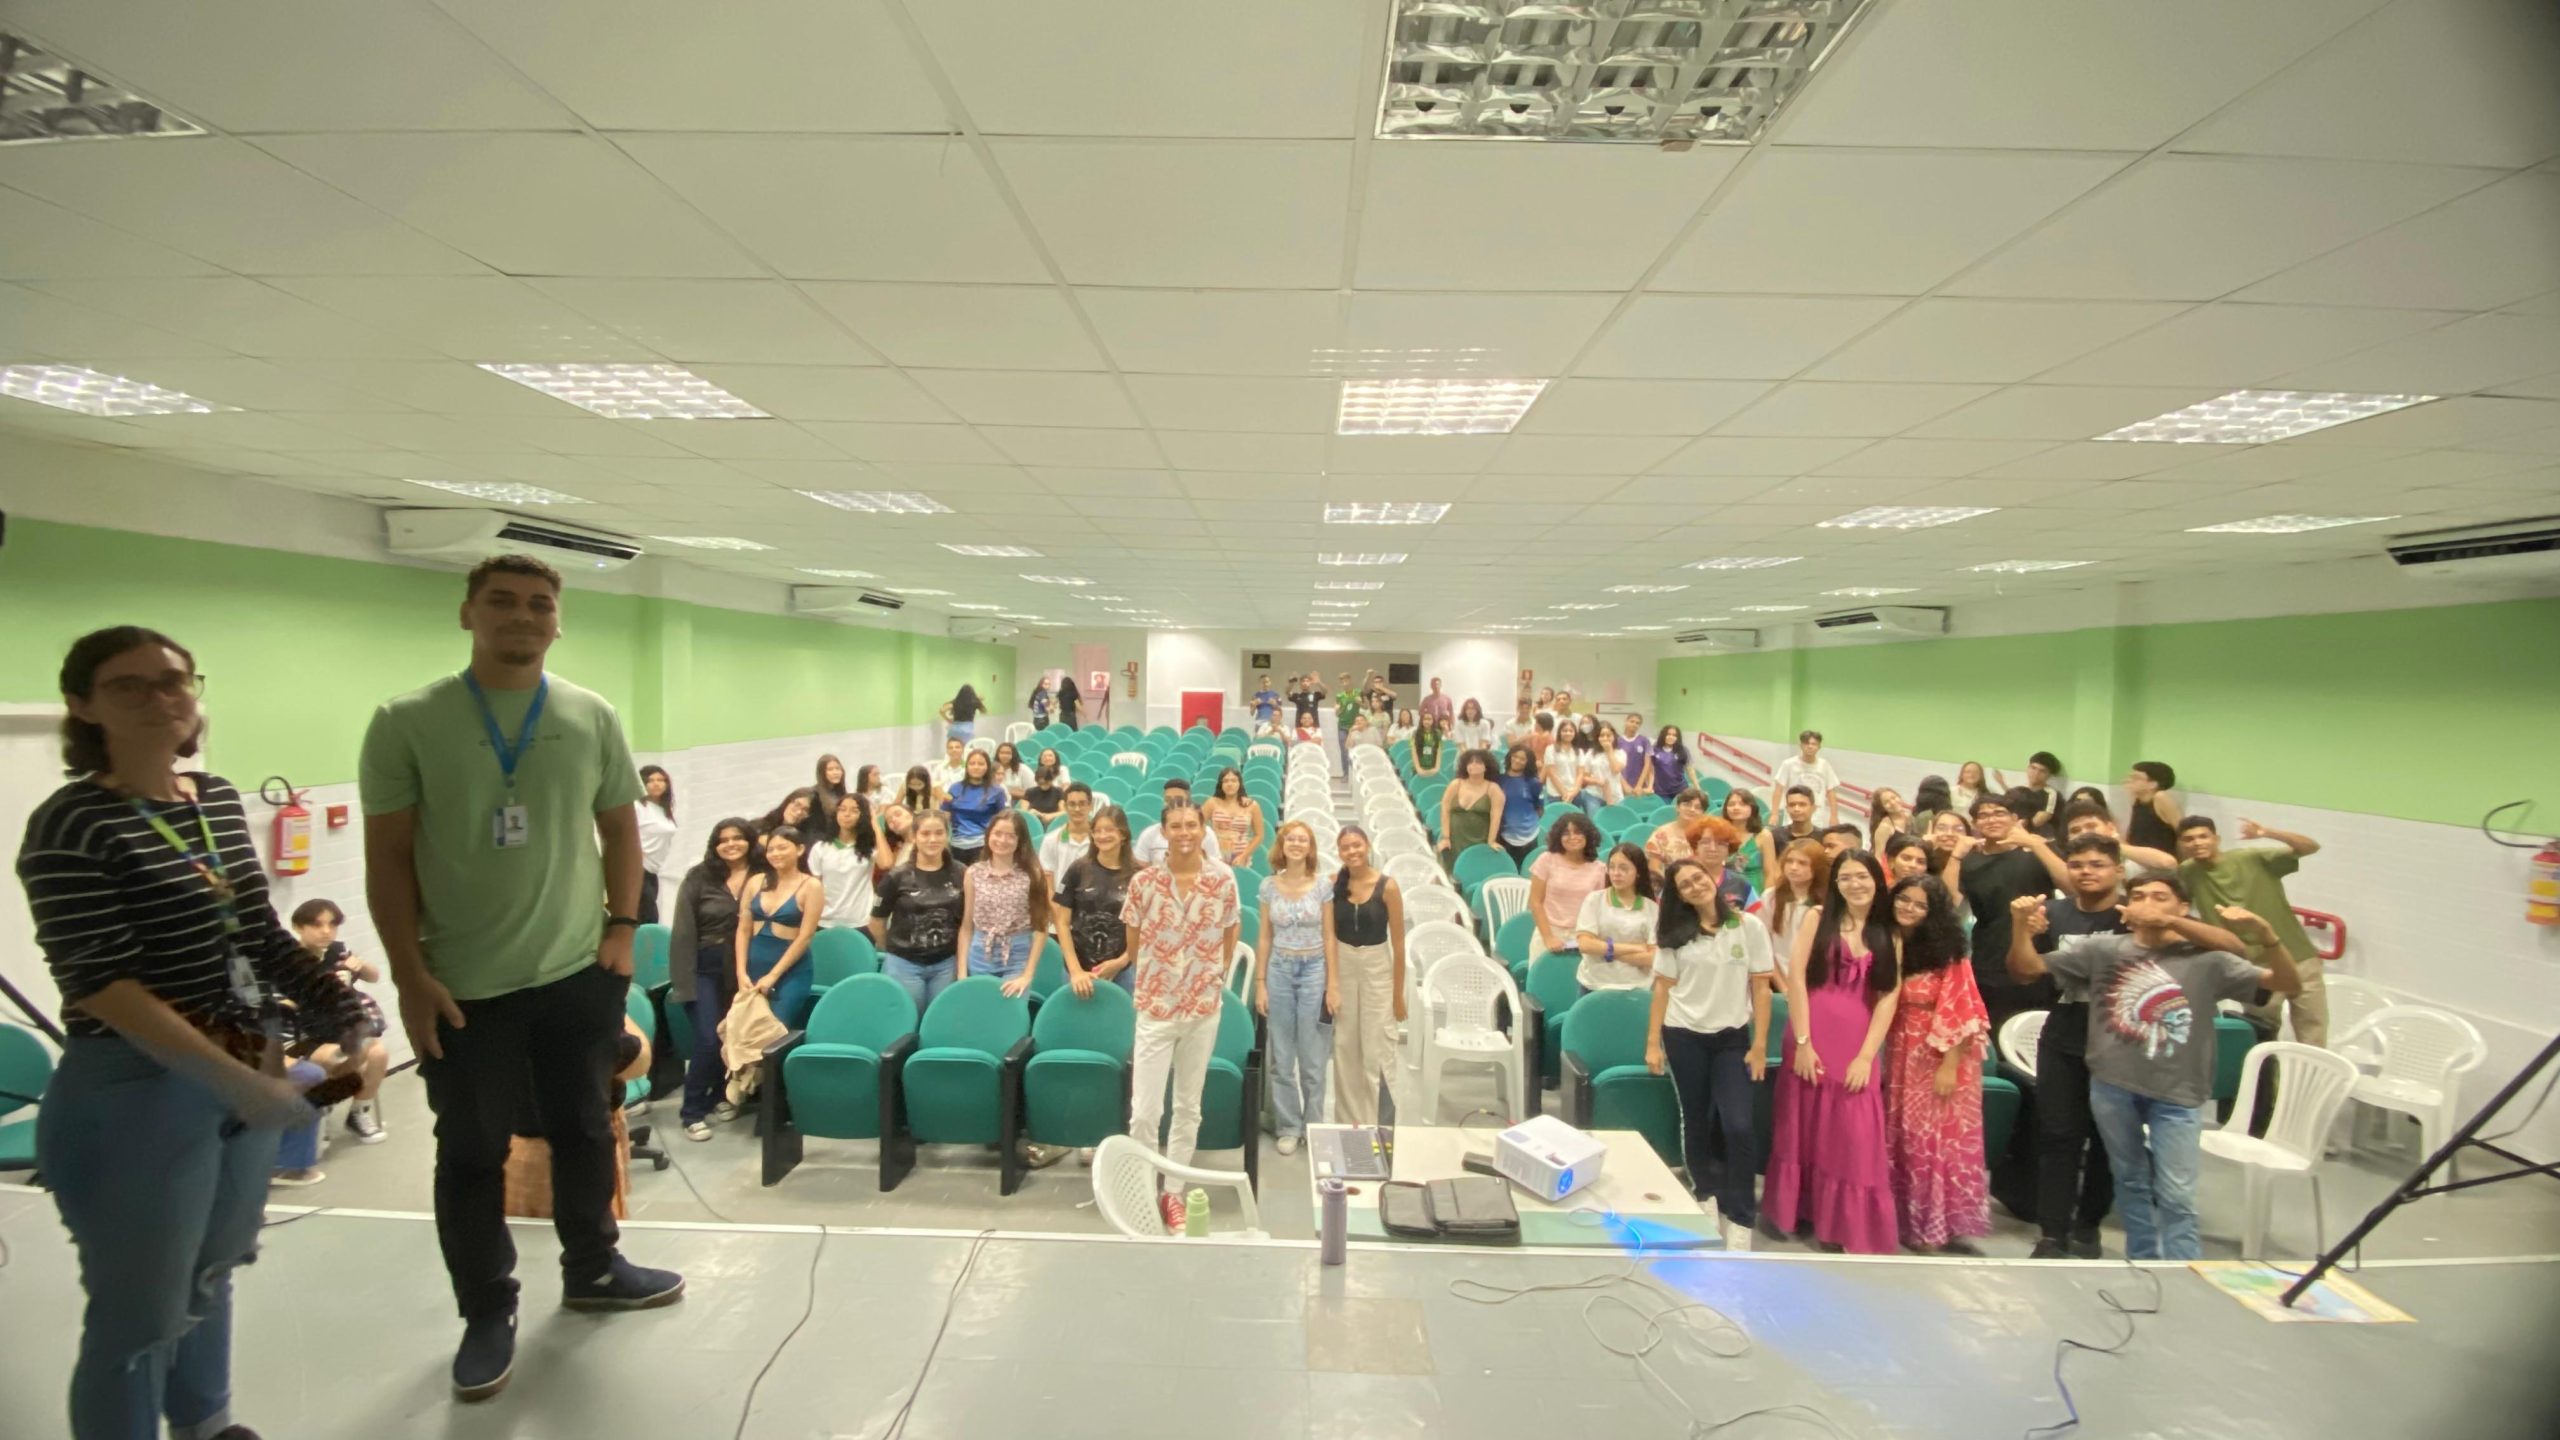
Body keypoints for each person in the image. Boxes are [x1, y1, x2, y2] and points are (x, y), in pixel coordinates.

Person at [16, 627, 372, 1440]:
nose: (160, 699)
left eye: (174, 681)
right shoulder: (72, 823)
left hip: (243, 1070)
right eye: (129, 686)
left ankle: (207, 1425)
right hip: (139, 1088)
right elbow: (103, 985)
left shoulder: (210, 797)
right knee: (138, 1315)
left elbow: (255, 929)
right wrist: (235, 1082)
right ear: (82, 705)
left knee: (211, 1274)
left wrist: (335, 1005)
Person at [358, 555, 679, 1401]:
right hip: (463, 984)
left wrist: (621, 931)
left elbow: (621, 833)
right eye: (502, 602)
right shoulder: (406, 720)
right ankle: (486, 1310)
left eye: (540, 604)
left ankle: (594, 1267)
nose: (523, 616)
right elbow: (387, 861)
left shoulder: (588, 714)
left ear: (558, 621)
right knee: (471, 1154)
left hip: (576, 969)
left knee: (582, 1127)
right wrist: (409, 974)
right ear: (468, 614)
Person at [2012, 877, 2301, 1261]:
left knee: (2177, 1193)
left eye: (2160, 898)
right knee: (2130, 1182)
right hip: (2113, 1087)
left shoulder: (2206, 958)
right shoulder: (2103, 950)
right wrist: (2019, 924)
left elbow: (2286, 984)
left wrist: (2268, 936)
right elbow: (2028, 967)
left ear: (2183, 907)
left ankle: (2182, 1270)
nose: (2147, 904)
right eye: (2138, 898)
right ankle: (2143, 1261)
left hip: (2177, 1093)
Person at [1763, 850, 1901, 1254]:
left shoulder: (1888, 931)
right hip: (1811, 1034)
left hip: (1858, 1041)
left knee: (1854, 1134)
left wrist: (1866, 1056)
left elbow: (1889, 996)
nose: (1854, 884)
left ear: (1877, 880)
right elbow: (1797, 980)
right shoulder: (1816, 918)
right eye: (1845, 878)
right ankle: (1801, 1212)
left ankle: (1846, 1223)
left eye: (1862, 876)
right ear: (1836, 883)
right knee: (1803, 1124)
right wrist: (1803, 1042)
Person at [1121, 804, 1242, 1230]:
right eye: (1176, 826)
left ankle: (1172, 1191)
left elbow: (1231, 928)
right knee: (1145, 1110)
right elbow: (1133, 940)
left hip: (1202, 1007)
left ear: (1203, 829)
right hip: (1156, 1006)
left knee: (1188, 1107)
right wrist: (1160, 974)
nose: (1184, 832)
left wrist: (1210, 974)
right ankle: (1139, 1187)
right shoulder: (1144, 883)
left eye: (1192, 825)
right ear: (1164, 832)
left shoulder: (1222, 879)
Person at [1646, 858, 1775, 1248]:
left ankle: (1741, 1215)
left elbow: (1762, 988)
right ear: (1679, 895)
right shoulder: (1674, 933)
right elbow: (1663, 989)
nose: (1694, 886)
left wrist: (1759, 1044)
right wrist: (1654, 1042)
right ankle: (1704, 1193)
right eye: (1685, 885)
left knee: (1738, 1124)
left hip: (1731, 1039)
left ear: (1712, 879)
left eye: (1698, 878)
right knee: (1696, 1119)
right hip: (1683, 1035)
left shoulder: (1746, 926)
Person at [1880, 875, 1990, 1254]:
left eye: (1919, 904)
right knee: (1901, 1136)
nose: (1908, 908)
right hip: (1898, 1051)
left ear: (1934, 912)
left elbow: (1964, 1011)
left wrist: (1949, 1065)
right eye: (1903, 900)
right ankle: (1899, 1220)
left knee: (1932, 1141)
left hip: (1938, 1053)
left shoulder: (1949, 953)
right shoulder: (1889, 942)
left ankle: (1932, 1228)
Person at [2175, 815, 2328, 1047]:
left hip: (2298, 957)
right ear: (2181, 845)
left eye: (2203, 837)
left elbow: (2310, 847)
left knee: (2313, 1035)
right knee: (2262, 1036)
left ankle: (2312, 1082)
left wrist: (2267, 832)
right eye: (2189, 839)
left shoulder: (2251, 858)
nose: (2197, 843)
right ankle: (2267, 1083)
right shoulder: (2188, 871)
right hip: (2255, 968)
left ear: (2216, 839)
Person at [1943, 793, 2069, 1033]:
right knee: (1993, 1033)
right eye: (1983, 815)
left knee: (2037, 1033)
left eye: (1999, 813)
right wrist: (1956, 855)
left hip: (2038, 957)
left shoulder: (2037, 851)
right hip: (1989, 960)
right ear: (1975, 825)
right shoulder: (1970, 860)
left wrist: (2035, 844)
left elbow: (2071, 887)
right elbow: (1948, 903)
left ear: (2014, 818)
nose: (1991, 819)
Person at [668, 819, 762, 1141]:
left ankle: (722, 1096)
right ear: (714, 844)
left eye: (738, 838)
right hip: (704, 969)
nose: (731, 844)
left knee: (735, 1038)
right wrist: (683, 982)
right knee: (709, 1039)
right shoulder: (699, 877)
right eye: (723, 840)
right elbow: (682, 931)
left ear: (749, 840)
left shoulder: (763, 874)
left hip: (747, 969)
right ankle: (692, 1111)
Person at [1257, 821, 1336, 1156]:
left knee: (1313, 1057)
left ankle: (1314, 1125)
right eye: (1291, 838)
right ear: (1282, 844)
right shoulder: (1268, 886)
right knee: (1282, 1056)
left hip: (1314, 969)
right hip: (1279, 970)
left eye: (1303, 839)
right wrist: (1260, 982)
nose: (1296, 844)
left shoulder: (1322, 886)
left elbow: (1330, 935)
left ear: (1311, 847)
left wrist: (1333, 983)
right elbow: (1264, 936)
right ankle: (1288, 1125)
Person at [1323, 824, 1406, 1128]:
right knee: (1345, 1047)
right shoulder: (1333, 885)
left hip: (1377, 967)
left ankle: (1379, 1126)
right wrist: (1331, 984)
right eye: (1346, 848)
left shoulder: (1388, 887)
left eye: (1357, 845)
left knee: (1377, 1048)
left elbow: (1399, 944)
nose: (1352, 852)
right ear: (1340, 852)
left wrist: (1398, 996)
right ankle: (1347, 1124)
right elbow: (1328, 937)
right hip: (1343, 965)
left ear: (1367, 845)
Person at [290, 898, 392, 1144]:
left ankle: (358, 1113)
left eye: (331, 925)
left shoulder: (337, 951)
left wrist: (362, 966)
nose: (326, 931)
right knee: (333, 1058)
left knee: (378, 1053)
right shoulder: (290, 959)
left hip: (339, 1030)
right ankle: (322, 1108)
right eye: (317, 925)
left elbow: (374, 976)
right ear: (298, 927)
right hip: (306, 1034)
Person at [870, 811, 967, 1013]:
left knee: (940, 1018)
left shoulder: (962, 873)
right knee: (907, 1018)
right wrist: (892, 950)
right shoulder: (896, 877)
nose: (933, 839)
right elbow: (877, 921)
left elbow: (967, 921)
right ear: (914, 837)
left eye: (939, 833)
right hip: (904, 963)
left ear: (947, 835)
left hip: (946, 963)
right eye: (925, 834)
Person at [959, 811, 1050, 1008]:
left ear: (1020, 840)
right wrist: (961, 974)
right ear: (988, 835)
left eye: (1011, 836)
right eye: (998, 833)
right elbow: (966, 926)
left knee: (1011, 1012)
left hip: (1018, 952)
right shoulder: (973, 873)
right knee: (981, 1011)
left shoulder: (1032, 874)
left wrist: (1027, 975)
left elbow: (1041, 928)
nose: (1003, 840)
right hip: (981, 951)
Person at [738, 827, 822, 1031]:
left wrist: (773, 975)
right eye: (771, 849)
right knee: (746, 1033)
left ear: (800, 849)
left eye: (782, 848)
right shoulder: (755, 882)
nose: (775, 854)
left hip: (791, 972)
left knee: (774, 1032)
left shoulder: (811, 886)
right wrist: (741, 972)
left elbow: (805, 936)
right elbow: (743, 929)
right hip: (754, 967)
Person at [1057, 805, 1139, 1002]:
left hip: (1121, 972)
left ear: (1123, 834)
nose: (1102, 835)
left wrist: (1121, 962)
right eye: (1097, 830)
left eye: (1109, 829)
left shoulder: (1139, 876)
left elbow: (1144, 927)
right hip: (1077, 972)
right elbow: (1061, 922)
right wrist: (1076, 971)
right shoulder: (1078, 869)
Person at [1574, 843, 1661, 992]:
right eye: (1612, 867)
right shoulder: (1594, 900)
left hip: (1637, 987)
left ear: (1638, 872)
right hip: (1594, 985)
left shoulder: (1651, 908)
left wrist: (1607, 952)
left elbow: (1653, 957)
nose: (1616, 873)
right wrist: (1635, 948)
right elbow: (1585, 945)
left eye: (1624, 868)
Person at [1528, 813, 1608, 963]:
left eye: (1578, 832)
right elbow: (1535, 902)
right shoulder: (1546, 859)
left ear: (1588, 835)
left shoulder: (1599, 869)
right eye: (1566, 833)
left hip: (1583, 936)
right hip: (1549, 933)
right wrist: (1548, 937)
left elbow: (1599, 910)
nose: (1572, 837)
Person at [1752, 839, 1831, 979]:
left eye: (1802, 863)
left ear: (1818, 867)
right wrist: (1783, 987)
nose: (1793, 867)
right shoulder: (1771, 897)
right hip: (1778, 976)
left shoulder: (1828, 900)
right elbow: (1763, 945)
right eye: (1789, 861)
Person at [809, 794, 878, 934]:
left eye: (854, 811)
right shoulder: (821, 847)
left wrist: (875, 824)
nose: (847, 814)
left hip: (860, 921)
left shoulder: (869, 848)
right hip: (825, 920)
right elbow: (814, 888)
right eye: (842, 809)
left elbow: (886, 863)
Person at [1135, 778, 1230, 872]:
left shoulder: (1207, 834)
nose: (1172, 803)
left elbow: (1215, 866)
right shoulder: (1149, 834)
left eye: (1178, 799)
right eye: (1167, 800)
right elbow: (1140, 869)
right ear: (1164, 832)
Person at [940, 749, 1010, 867]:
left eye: (981, 764)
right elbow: (944, 816)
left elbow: (1002, 821)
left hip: (982, 846)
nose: (976, 767)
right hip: (956, 845)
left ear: (987, 767)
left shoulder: (997, 791)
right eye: (972, 764)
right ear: (966, 766)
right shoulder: (954, 788)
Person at [1437, 749, 1503, 865]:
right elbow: (1445, 810)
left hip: (1479, 839)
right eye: (1470, 762)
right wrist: (1445, 837)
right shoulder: (1456, 784)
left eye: (1478, 762)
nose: (1473, 765)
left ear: (1486, 766)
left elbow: (1496, 817)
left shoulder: (1493, 789)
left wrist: (1491, 841)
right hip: (1454, 839)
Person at [1770, 729, 1841, 827]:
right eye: (1806, 743)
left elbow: (1831, 792)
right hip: (1794, 813)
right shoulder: (1788, 764)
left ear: (1819, 747)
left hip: (1817, 817)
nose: (1810, 746)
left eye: (1814, 744)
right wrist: (1774, 814)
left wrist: (1834, 816)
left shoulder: (1824, 765)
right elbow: (1778, 790)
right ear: (1801, 745)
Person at [1202, 766, 1267, 869]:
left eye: (1233, 780)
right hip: (1215, 856)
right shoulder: (1211, 803)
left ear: (1239, 783)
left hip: (1240, 858)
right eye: (1226, 781)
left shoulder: (1252, 805)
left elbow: (1259, 835)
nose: (1230, 784)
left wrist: (1244, 855)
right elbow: (1197, 826)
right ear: (1221, 785)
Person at [637, 764, 677, 925]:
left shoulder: (663, 809)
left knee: (648, 916)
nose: (656, 783)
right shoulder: (638, 806)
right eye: (650, 780)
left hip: (652, 870)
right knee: (648, 918)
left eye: (661, 780)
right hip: (638, 868)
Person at [1493, 744, 1545, 866]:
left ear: (1528, 762)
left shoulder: (1534, 783)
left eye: (1522, 759)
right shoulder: (1499, 780)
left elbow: (1540, 809)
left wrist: (1526, 824)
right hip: (1504, 835)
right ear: (1510, 756)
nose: (1517, 760)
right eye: (1515, 756)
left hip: (1529, 837)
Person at [1997, 751, 2065, 839]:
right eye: (2033, 768)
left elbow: (2038, 821)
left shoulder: (2051, 794)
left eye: (2042, 771)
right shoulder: (2018, 789)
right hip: (2010, 833)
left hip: (2035, 838)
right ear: (2028, 768)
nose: (2036, 773)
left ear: (2049, 775)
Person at [2124, 762, 2181, 854]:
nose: (2129, 780)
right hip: (2139, 855)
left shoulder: (2160, 797)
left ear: (2153, 784)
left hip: (2160, 858)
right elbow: (2132, 829)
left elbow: (2182, 830)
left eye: (2136, 778)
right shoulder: (2137, 799)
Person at [1039, 782, 1096, 875]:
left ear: (1090, 806)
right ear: (1065, 807)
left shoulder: (1101, 840)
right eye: (1072, 804)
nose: (1077, 809)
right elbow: (1046, 877)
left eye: (1082, 803)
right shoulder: (1051, 840)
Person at [1724, 789, 1772, 893]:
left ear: (1752, 808)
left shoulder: (1763, 835)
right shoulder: (1719, 833)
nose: (1736, 808)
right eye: (1731, 804)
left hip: (1754, 894)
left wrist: (1766, 900)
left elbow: (1771, 873)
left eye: (1742, 804)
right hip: (1724, 892)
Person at [759, 786, 824, 852]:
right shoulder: (761, 826)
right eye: (797, 804)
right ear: (787, 802)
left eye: (806, 810)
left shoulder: (807, 840)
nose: (799, 812)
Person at [1638, 724, 1688, 800]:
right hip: (1661, 791)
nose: (1671, 737)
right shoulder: (1654, 749)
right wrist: (1649, 786)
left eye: (1674, 735)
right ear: (1663, 735)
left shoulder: (1682, 750)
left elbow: (1690, 769)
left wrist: (1697, 787)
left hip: (1680, 790)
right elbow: (1650, 770)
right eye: (1668, 734)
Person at [1022, 749, 1068, 821]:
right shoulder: (1030, 792)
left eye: (1046, 783)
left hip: (1051, 820)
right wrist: (1031, 813)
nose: (1043, 786)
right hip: (1035, 820)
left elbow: (1064, 812)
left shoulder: (1058, 792)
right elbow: (1023, 811)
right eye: (1041, 783)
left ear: (1051, 780)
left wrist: (1047, 815)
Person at [1334, 674, 1362, 774]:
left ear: (1350, 680)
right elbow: (1337, 713)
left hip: (1355, 726)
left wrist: (1360, 703)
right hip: (1342, 726)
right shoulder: (1339, 696)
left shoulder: (1357, 692)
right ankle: (1346, 773)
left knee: (1356, 750)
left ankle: (1356, 773)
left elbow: (1366, 706)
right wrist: (1337, 709)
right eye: (1342, 681)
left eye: (1346, 680)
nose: (1345, 683)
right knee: (1344, 751)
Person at [811, 753, 850, 826]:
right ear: (822, 773)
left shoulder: (841, 793)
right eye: (830, 769)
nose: (835, 773)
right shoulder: (814, 794)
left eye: (838, 769)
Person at [1410, 713, 1446, 779]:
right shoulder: (1415, 733)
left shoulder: (1438, 733)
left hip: (1433, 768)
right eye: (1425, 719)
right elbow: (1413, 752)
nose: (1427, 721)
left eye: (1429, 719)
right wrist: (1418, 769)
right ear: (1421, 720)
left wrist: (1437, 768)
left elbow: (1439, 751)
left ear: (1433, 721)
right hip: (1418, 769)